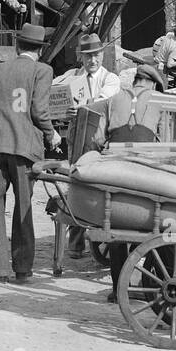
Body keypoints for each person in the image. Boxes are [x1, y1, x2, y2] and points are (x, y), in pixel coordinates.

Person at [0, 22, 60, 283]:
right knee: (23, 207)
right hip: (24, 147)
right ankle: (22, 268)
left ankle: (0, 271)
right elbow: (38, 110)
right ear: (40, 49)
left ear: (17, 45)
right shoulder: (43, 70)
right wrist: (51, 133)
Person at [99, 64, 167, 302]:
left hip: (117, 174)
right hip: (145, 177)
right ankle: (158, 278)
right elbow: (165, 144)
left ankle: (119, 289)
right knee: (162, 226)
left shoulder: (113, 99)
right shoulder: (159, 101)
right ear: (152, 84)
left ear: (136, 81)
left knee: (116, 227)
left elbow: (99, 138)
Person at [63, 33, 123, 258]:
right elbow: (59, 99)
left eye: (96, 55)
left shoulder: (111, 79)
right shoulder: (73, 77)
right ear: (81, 57)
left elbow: (100, 102)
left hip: (99, 140)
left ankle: (100, 235)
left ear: (102, 55)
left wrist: (79, 107)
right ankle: (76, 243)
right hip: (76, 138)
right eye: (88, 56)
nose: (92, 61)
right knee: (75, 184)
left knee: (98, 187)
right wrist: (66, 111)